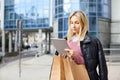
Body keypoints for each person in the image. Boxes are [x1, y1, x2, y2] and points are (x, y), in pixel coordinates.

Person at [56, 10, 108, 80]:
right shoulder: (66, 40)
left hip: (86, 77)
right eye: (71, 23)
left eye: (77, 23)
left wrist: (75, 56)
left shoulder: (93, 42)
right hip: (69, 76)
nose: (73, 26)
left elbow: (101, 67)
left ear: (83, 24)